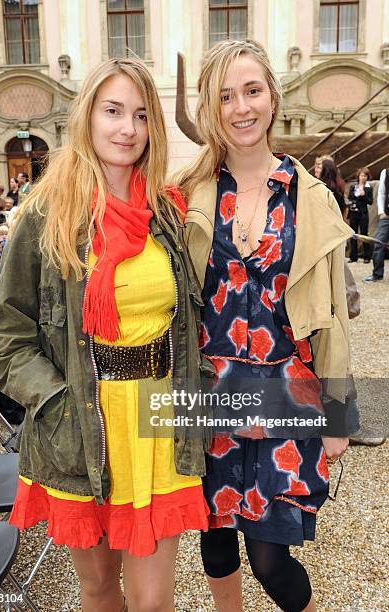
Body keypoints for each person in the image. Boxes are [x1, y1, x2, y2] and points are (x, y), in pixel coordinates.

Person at [0, 57, 212, 612]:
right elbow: (6, 335)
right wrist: (56, 400)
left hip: (159, 419)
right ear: (87, 115)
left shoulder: (166, 212)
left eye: (139, 115)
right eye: (113, 111)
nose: (126, 128)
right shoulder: (45, 215)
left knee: (154, 601)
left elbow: (191, 319)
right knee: (100, 587)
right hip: (80, 421)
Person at [176, 40, 352, 612]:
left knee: (271, 557)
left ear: (272, 96)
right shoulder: (188, 194)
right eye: (225, 96)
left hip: (287, 392)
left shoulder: (313, 198)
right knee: (217, 540)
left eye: (251, 90)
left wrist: (339, 414)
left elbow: (330, 321)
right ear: (210, 109)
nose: (240, 107)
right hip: (212, 389)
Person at [364, 167, 389, 282]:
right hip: (387, 216)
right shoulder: (385, 172)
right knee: (378, 243)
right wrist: (381, 212)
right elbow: (382, 193)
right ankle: (377, 274)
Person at [347, 167, 373, 263]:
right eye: (361, 175)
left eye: (365, 176)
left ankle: (367, 256)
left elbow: (370, 201)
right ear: (358, 176)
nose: (363, 177)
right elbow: (350, 198)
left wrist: (364, 195)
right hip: (353, 212)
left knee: (364, 233)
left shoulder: (368, 188)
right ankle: (353, 256)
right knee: (353, 234)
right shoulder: (353, 187)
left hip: (363, 213)